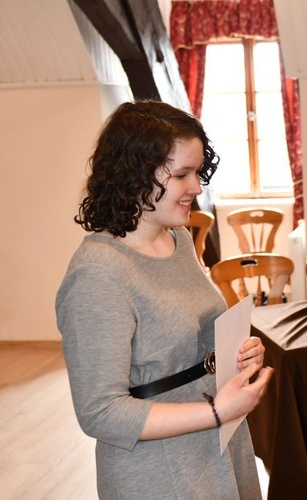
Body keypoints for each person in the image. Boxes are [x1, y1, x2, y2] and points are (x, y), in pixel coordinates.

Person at [55, 101, 273, 499]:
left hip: (218, 441)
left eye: (198, 172)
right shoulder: (98, 275)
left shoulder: (180, 241)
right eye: (181, 175)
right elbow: (100, 412)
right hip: (159, 469)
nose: (198, 187)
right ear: (132, 176)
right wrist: (215, 412)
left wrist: (234, 355)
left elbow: (183, 342)